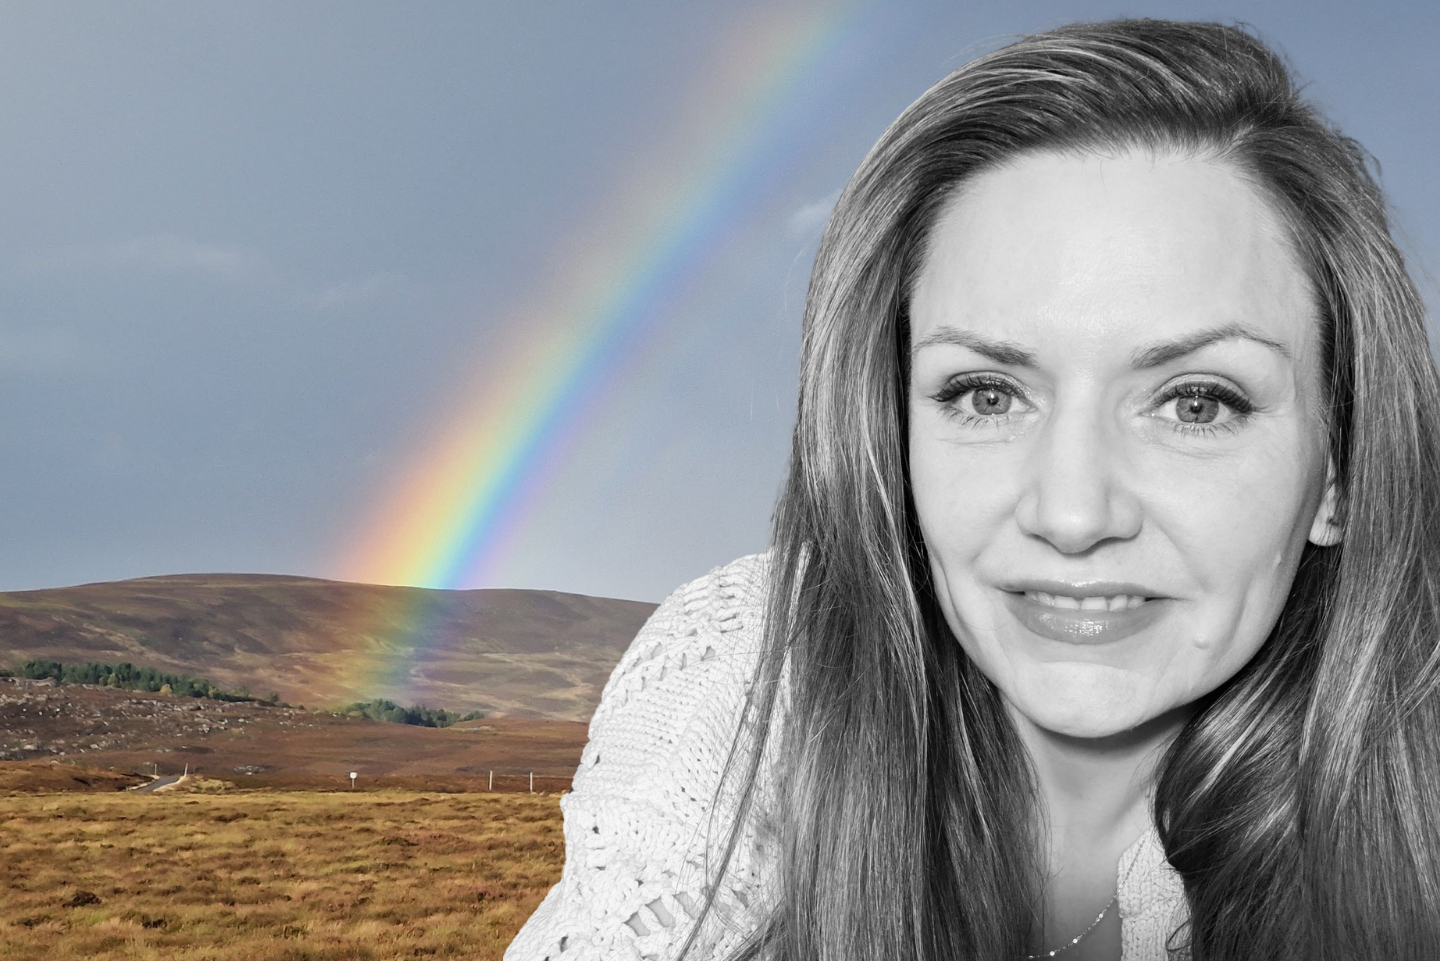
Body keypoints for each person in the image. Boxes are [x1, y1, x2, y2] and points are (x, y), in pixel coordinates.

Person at [507, 18, 1439, 961]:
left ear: (1339, 472)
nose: (1072, 515)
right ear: (888, 433)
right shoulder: (746, 685)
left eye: (1195, 402)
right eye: (986, 394)